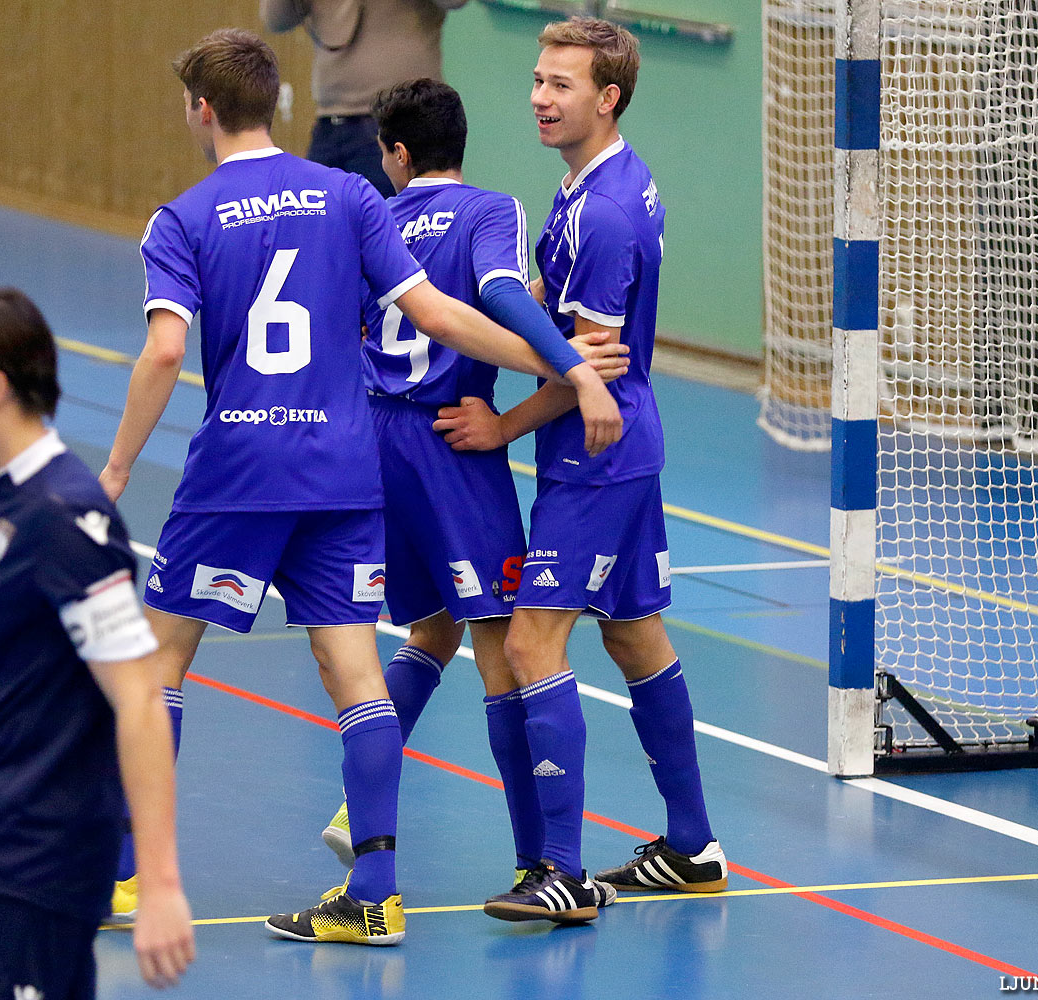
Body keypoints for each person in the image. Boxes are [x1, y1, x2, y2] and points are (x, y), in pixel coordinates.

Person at [98, 28, 625, 945]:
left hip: (237, 473)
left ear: (203, 109)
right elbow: (441, 314)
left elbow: (167, 348)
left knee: (158, 670)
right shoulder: (347, 196)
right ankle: (374, 894)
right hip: (343, 473)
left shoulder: (180, 219)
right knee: (354, 679)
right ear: (276, 104)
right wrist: (566, 368)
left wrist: (111, 470)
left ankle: (128, 879)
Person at [433, 17, 728, 922]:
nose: (538, 97)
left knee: (530, 645)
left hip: (596, 461)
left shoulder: (598, 213)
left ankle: (560, 871)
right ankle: (692, 847)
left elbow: (585, 371)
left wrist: (502, 427)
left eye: (559, 85)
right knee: (635, 636)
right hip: (626, 452)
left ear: (608, 98)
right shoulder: (603, 186)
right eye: (536, 79)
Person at [316, 77, 621, 904]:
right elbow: (494, 291)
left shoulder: (370, 221)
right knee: (506, 654)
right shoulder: (491, 210)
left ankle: (359, 806)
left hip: (371, 443)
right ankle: (542, 864)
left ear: (399, 155)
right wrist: (570, 364)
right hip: (453, 441)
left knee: (431, 626)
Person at [0, 287, 194, 997]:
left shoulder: (63, 519)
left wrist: (162, 885)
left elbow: (140, 701)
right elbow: (24, 708)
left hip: (33, 871)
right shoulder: (3, 497)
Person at [258, 0, 467, 194]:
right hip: (329, 125)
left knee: (399, 226)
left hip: (398, 125)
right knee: (316, 223)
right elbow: (276, 20)